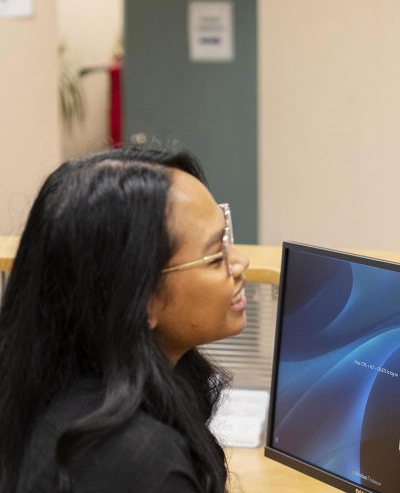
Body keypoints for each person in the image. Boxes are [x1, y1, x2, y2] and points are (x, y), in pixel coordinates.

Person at [0, 148, 250, 493]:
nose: (240, 262)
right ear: (140, 297)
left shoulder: (57, 392)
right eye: (215, 257)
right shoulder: (139, 463)